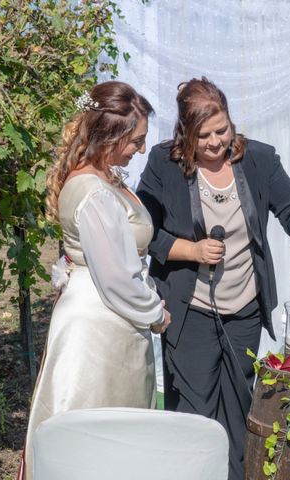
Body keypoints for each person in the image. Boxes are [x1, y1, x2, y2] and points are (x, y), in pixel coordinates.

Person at [136, 77, 290, 480]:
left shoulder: (258, 159)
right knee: (196, 409)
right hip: (190, 311)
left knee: (240, 403)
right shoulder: (162, 164)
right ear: (185, 133)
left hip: (244, 309)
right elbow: (143, 230)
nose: (215, 141)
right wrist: (191, 251)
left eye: (222, 129)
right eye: (203, 135)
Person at [24, 81, 171, 479]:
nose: (140, 150)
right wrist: (154, 312)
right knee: (99, 435)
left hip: (105, 317)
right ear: (109, 135)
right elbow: (117, 278)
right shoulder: (94, 192)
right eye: (135, 141)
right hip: (100, 327)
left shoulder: (101, 177)